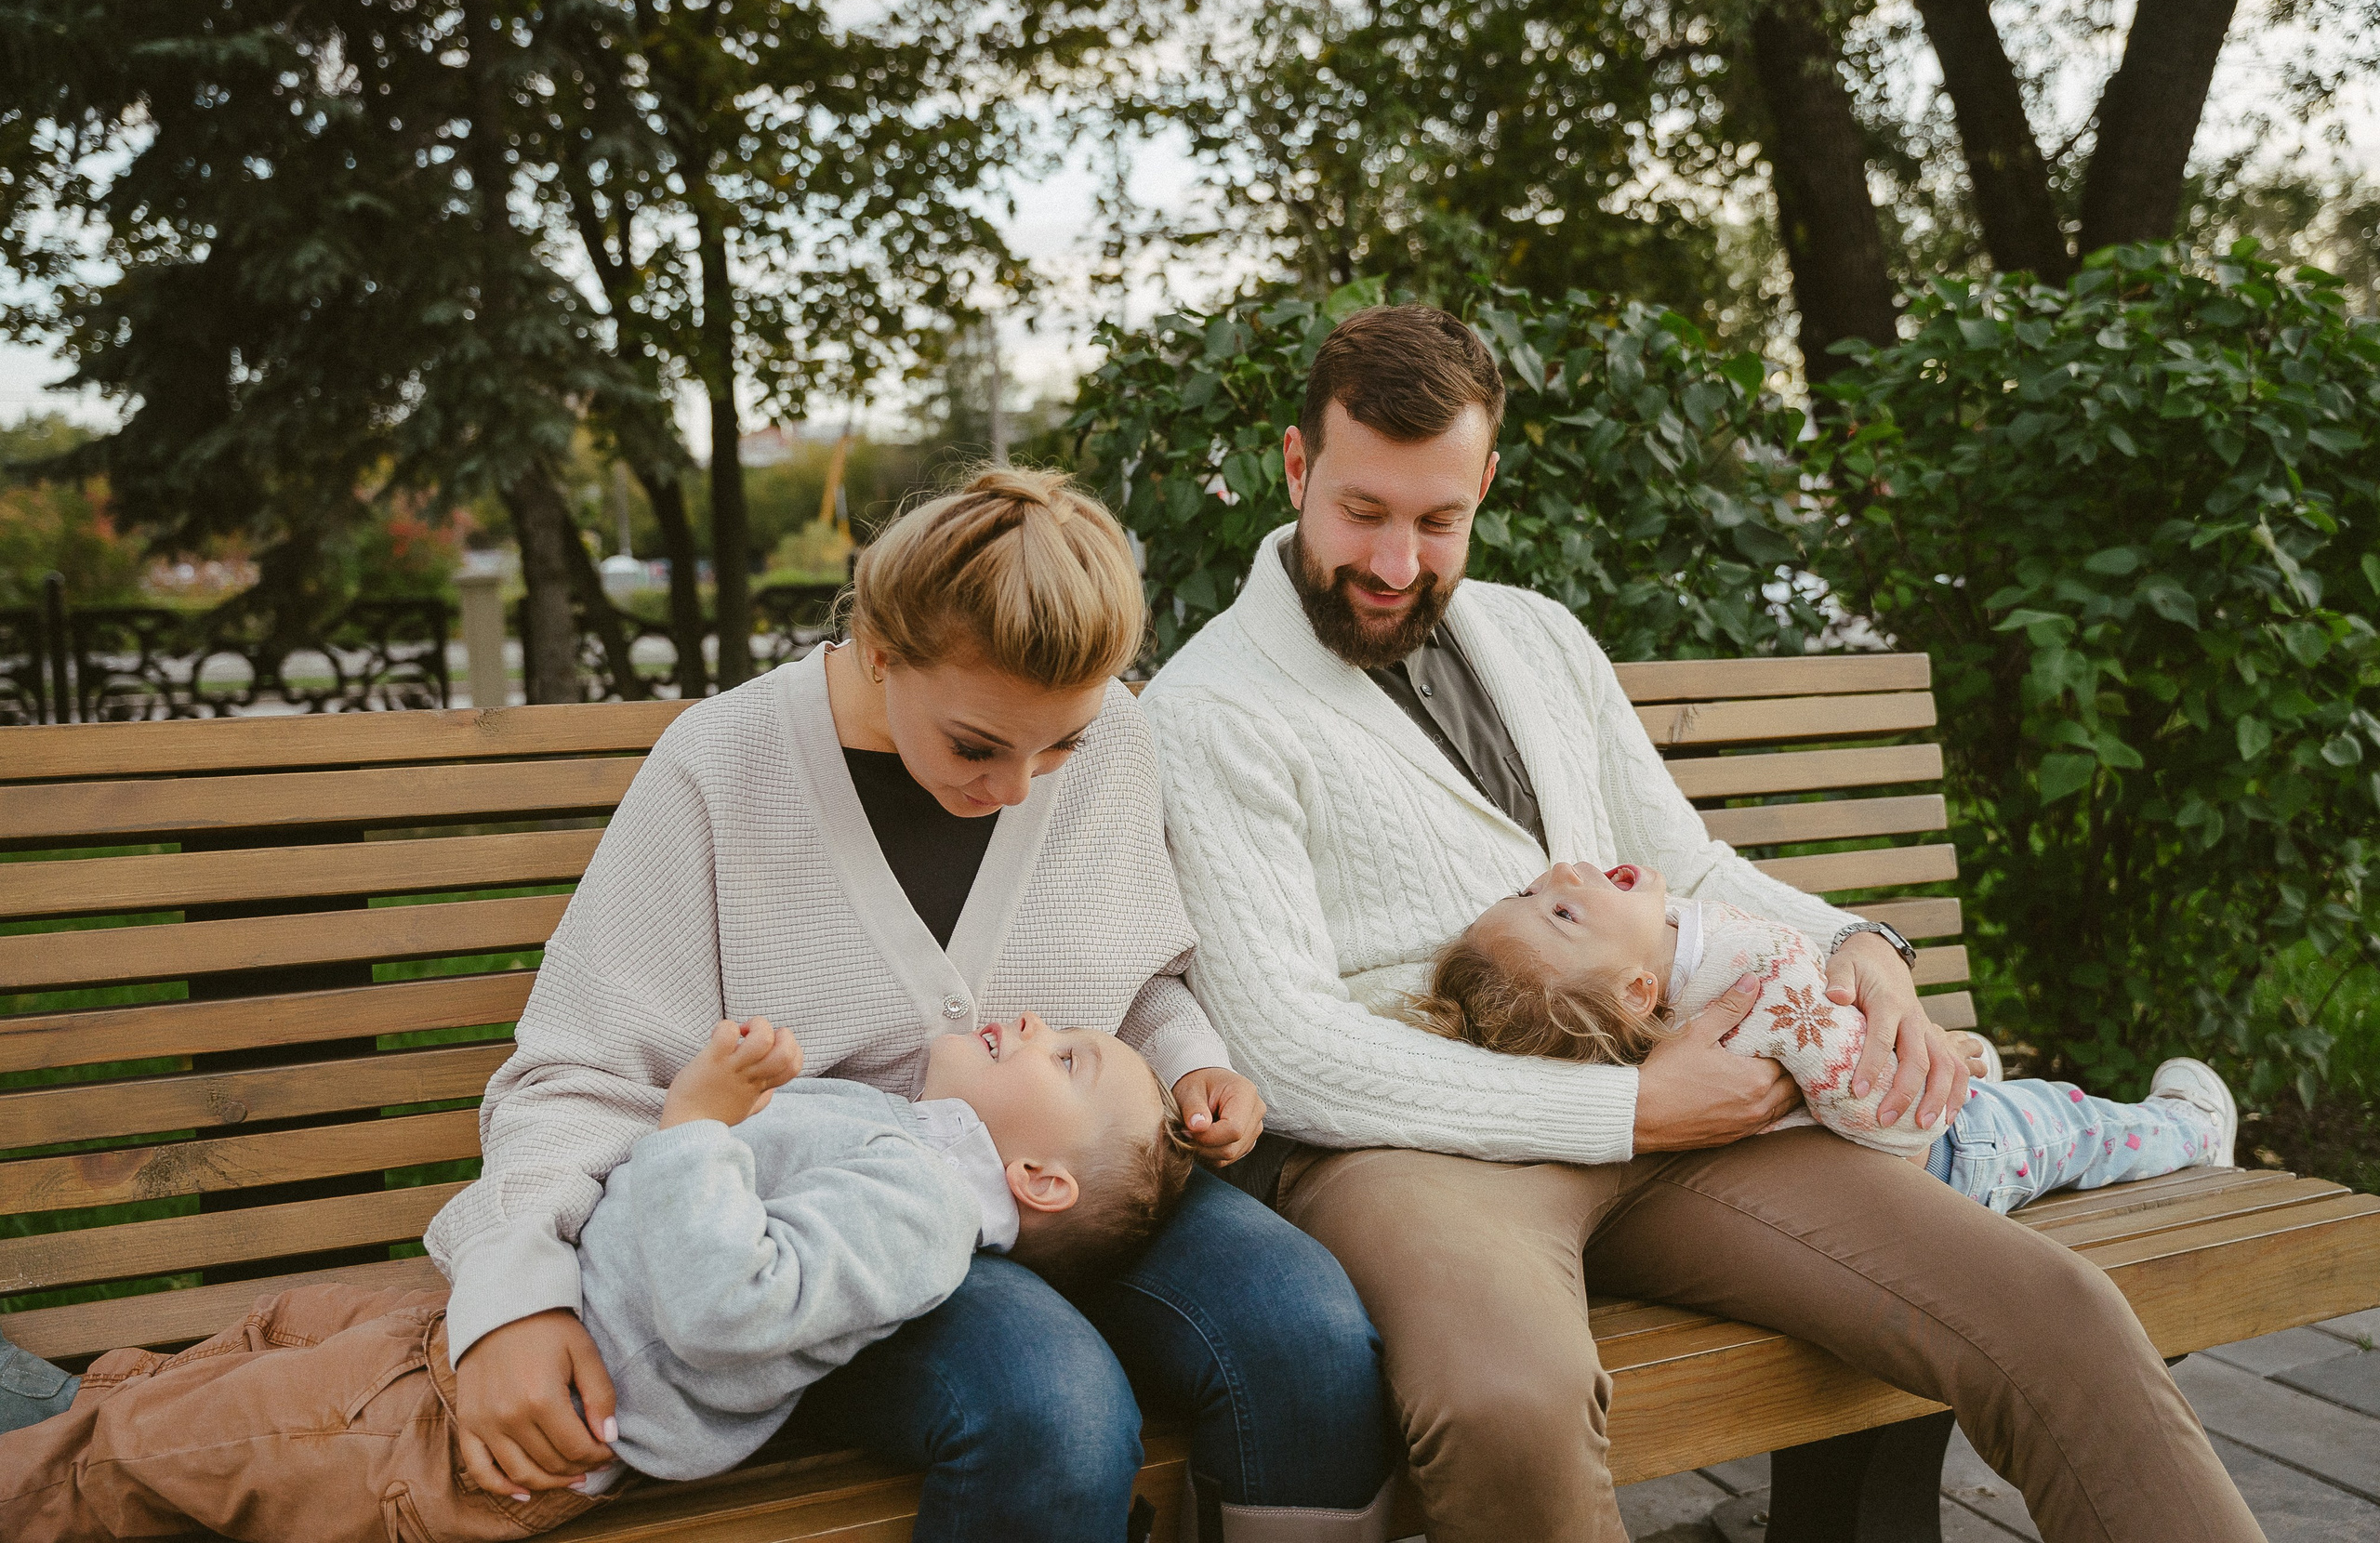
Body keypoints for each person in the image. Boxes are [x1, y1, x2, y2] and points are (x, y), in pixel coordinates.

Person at [1139, 302, 2264, 1542]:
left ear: (1488, 484)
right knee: (1512, 1403)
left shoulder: (1536, 636)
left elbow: (1685, 866)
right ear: (1296, 466)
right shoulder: (1211, 711)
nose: (1399, 561)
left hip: (1681, 1102)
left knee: (2058, 1310)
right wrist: (1627, 1108)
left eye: (1438, 519)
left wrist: (1861, 945)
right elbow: (1284, 1042)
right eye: (1363, 511)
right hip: (1418, 1150)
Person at [418, 469, 1392, 1543]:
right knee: (1050, 1407)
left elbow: (1137, 977)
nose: (1022, 787)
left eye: (1058, 746)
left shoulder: (1111, 733)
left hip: (1079, 1187)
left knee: (1306, 1334)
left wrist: (1191, 1061)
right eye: (978, 746)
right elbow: (581, 1072)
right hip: (817, 1238)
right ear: (880, 650)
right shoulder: (723, 766)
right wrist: (514, 1293)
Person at [0, 1008, 1197, 1543]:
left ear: (1037, 1180)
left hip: (464, 1442)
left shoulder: (918, 1214)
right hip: (456, 1345)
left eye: (1070, 1055)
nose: (1036, 1022)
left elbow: (726, 1303)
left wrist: (695, 1122)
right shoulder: (901, 1147)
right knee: (231, 1361)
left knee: (139, 1459)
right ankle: (44, 1422)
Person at [1416, 860, 2241, 1213]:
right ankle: (2195, 1130)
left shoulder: (1675, 949)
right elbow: (1864, 1100)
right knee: (2082, 1125)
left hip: (1930, 1105)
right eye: (1560, 912)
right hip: (1953, 1147)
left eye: (1533, 888)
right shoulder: (1750, 990)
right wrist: (1936, 1099)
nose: (1561, 875)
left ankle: (1979, 1062)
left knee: (2053, 1108)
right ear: (1636, 988)